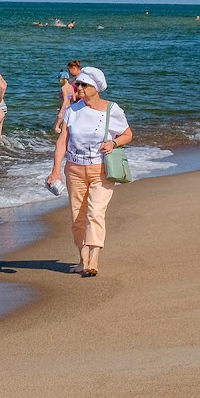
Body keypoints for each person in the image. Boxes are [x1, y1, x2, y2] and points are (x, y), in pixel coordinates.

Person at [45, 67, 132, 278]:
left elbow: (128, 134)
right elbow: (62, 142)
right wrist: (55, 171)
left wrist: (113, 142)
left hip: (101, 169)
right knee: (78, 216)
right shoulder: (72, 110)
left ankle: (93, 259)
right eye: (79, 84)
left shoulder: (112, 110)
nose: (79, 87)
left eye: (84, 85)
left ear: (97, 88)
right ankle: (82, 259)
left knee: (95, 212)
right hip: (73, 169)